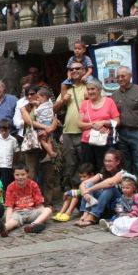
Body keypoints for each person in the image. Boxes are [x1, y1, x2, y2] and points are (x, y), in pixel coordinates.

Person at [112, 66, 138, 175]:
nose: (120, 79)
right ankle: (130, 188)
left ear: (130, 76)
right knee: (125, 163)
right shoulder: (114, 95)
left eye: (123, 76)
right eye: (118, 77)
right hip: (121, 133)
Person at [0, 163, 53, 237]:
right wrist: (7, 221)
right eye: (17, 175)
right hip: (18, 213)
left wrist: (43, 212)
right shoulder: (10, 187)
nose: (20, 177)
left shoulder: (33, 185)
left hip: (31, 211)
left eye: (23, 174)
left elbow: (39, 204)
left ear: (27, 174)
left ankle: (33, 226)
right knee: (12, 221)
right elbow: (9, 207)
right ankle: (5, 229)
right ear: (13, 175)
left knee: (48, 210)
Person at [54, 61, 88, 189]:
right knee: (71, 163)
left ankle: (87, 190)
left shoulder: (89, 86)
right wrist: (63, 101)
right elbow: (55, 109)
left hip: (85, 130)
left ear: (84, 70)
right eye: (71, 69)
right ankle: (75, 192)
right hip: (68, 132)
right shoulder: (66, 89)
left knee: (85, 163)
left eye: (78, 68)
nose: (74, 71)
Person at [75, 149, 127, 226]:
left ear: (118, 162)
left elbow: (110, 182)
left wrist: (89, 190)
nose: (107, 163)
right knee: (88, 184)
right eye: (105, 161)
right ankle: (85, 214)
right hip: (103, 204)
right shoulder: (103, 173)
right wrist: (85, 194)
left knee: (110, 188)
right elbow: (83, 184)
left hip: (118, 205)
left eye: (110, 161)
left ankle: (93, 216)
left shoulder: (122, 173)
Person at [78, 78, 120, 172]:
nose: (90, 91)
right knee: (88, 168)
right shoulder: (84, 104)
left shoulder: (109, 102)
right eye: (88, 89)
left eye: (93, 89)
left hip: (103, 141)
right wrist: (93, 125)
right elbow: (79, 124)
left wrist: (103, 122)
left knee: (103, 168)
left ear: (99, 89)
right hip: (87, 141)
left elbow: (117, 121)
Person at [0, 118, 19, 191]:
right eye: (2, 131)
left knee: (7, 183)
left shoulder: (13, 140)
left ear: (9, 130)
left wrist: (14, 163)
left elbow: (16, 152)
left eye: (6, 131)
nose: (4, 133)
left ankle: (6, 198)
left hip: (8, 165)